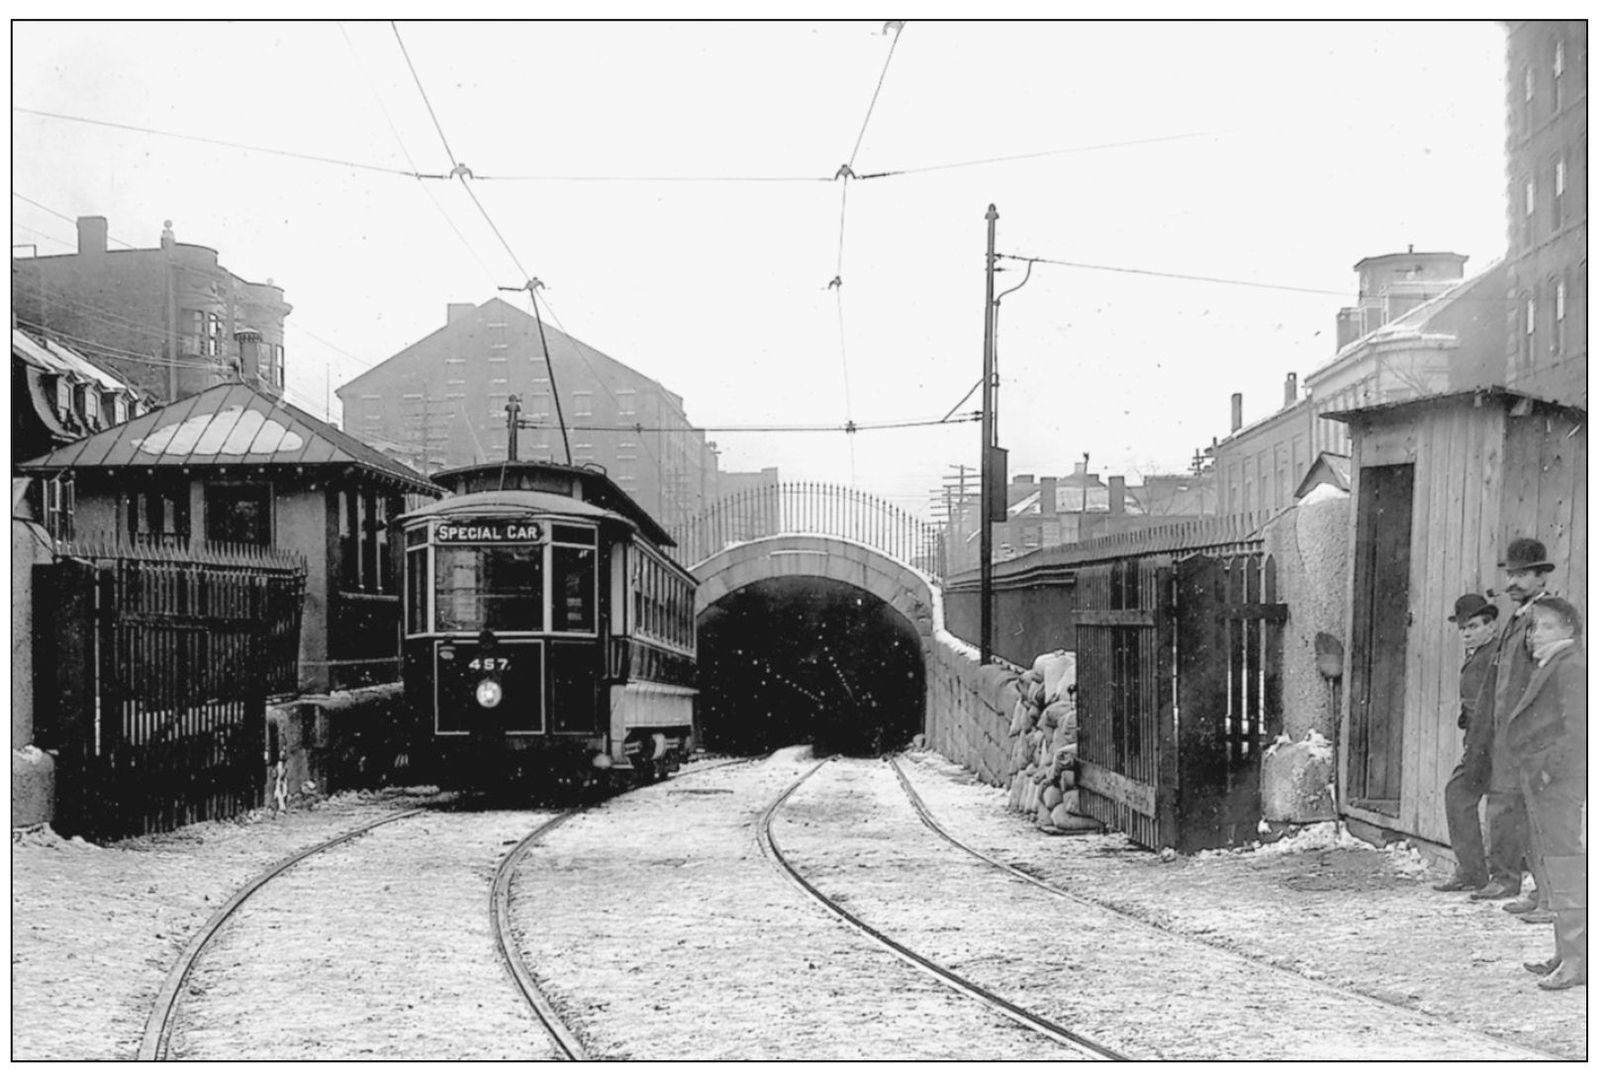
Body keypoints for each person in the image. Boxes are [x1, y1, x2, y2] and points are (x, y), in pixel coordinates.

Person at [1504, 595, 1586, 990]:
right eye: (1535, 627)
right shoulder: (1551, 663)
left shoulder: (1572, 666)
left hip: (1561, 781)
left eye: (1547, 627)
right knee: (1556, 864)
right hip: (1545, 779)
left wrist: (1550, 772)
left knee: (1567, 865)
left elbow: (1581, 731)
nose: (1536, 635)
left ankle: (1578, 959)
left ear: (1569, 629)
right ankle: (1567, 951)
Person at [1470, 538, 1554, 911]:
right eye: (1510, 574)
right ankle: (1505, 879)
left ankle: (1550, 896)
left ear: (1540, 577)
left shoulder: (1548, 618)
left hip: (1533, 734)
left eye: (1522, 574)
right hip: (1506, 732)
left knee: (1539, 814)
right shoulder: (1518, 618)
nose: (1513, 582)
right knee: (1504, 805)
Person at [1433, 594, 1501, 892]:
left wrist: (1478, 744)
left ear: (1491, 626)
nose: (1467, 633)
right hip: (1477, 739)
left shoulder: (1494, 655)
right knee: (1461, 796)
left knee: (1462, 795)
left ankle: (1481, 874)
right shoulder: (1477, 654)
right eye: (1463, 628)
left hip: (1490, 742)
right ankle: (1474, 872)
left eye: (1473, 626)